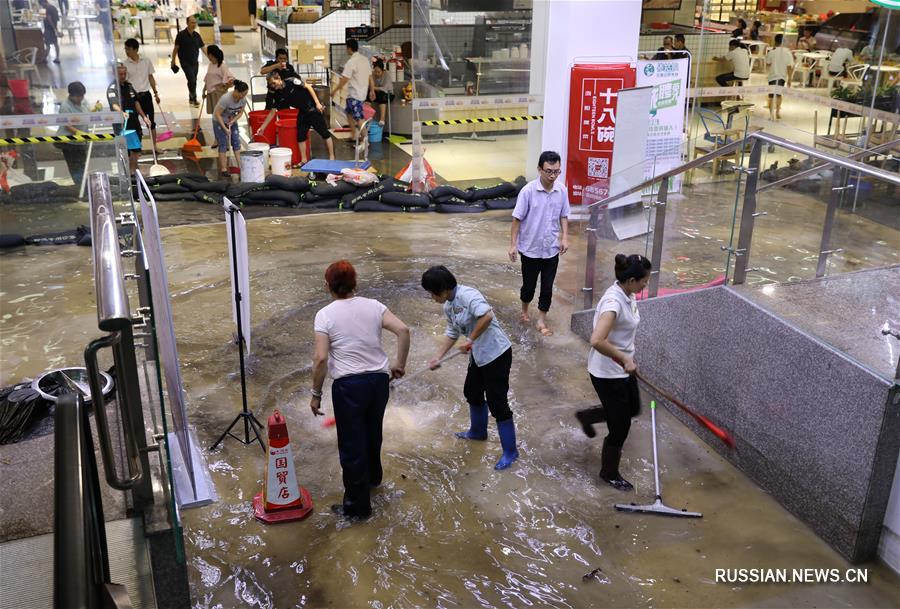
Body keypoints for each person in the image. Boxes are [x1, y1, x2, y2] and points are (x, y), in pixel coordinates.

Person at [310, 260, 410, 520]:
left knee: (352, 446)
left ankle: (357, 509)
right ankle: (373, 481)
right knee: (372, 432)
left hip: (349, 386)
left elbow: (320, 359)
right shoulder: (374, 306)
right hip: (378, 382)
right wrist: (399, 363)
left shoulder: (325, 314)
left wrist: (316, 394)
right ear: (355, 283)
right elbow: (403, 330)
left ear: (327, 286)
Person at [421, 265, 518, 471]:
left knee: (497, 403)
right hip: (479, 355)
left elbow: (487, 316)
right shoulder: (449, 306)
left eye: (432, 293)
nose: (432, 297)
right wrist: (437, 357)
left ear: (443, 289)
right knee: (472, 392)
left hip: (496, 354)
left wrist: (471, 339)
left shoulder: (468, 295)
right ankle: (477, 432)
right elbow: (452, 332)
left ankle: (510, 451)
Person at [575, 254, 652, 491]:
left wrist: (627, 357)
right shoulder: (613, 303)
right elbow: (596, 340)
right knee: (620, 427)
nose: (646, 284)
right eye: (644, 281)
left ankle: (588, 417)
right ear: (630, 280)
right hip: (607, 372)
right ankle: (609, 473)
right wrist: (624, 358)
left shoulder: (627, 294)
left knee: (633, 409)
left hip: (621, 367)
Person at [508, 150, 570, 337]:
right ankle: (525, 310)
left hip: (551, 249)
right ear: (539, 169)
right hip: (530, 249)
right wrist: (513, 245)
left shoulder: (562, 190)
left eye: (556, 171)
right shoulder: (528, 191)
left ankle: (541, 319)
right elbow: (516, 219)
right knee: (529, 285)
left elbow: (564, 215)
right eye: (549, 171)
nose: (553, 176)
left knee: (547, 286)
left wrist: (565, 237)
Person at [255, 71, 334, 163]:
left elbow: (308, 87)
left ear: (279, 78)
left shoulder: (292, 81)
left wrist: (317, 103)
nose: (273, 86)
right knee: (300, 136)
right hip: (302, 112)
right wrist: (262, 127)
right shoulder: (277, 94)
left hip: (312, 109)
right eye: (271, 84)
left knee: (324, 133)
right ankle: (304, 160)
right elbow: (272, 112)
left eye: (273, 83)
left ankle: (332, 156)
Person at [107, 62, 148, 172]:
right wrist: (121, 112)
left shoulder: (129, 86)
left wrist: (143, 116)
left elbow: (136, 102)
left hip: (134, 122)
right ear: (114, 74)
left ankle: (135, 170)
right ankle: (128, 173)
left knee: (136, 149)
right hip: (122, 124)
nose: (123, 76)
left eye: (124, 73)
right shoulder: (112, 88)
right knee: (126, 151)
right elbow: (113, 104)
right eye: (120, 74)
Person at [331, 39, 374, 144]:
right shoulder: (365, 60)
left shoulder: (351, 62)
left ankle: (365, 139)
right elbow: (370, 77)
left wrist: (335, 90)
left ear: (349, 48)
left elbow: (344, 79)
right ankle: (354, 135)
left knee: (359, 117)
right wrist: (372, 90)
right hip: (360, 93)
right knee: (349, 113)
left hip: (355, 94)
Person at [123, 38, 159, 142]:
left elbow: (151, 77)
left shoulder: (146, 61)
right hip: (132, 98)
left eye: (128, 49)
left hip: (146, 95)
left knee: (151, 122)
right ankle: (136, 148)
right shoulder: (124, 64)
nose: (126, 51)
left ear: (136, 49)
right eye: (125, 49)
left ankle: (154, 146)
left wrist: (156, 93)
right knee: (133, 122)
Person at [213, 80, 249, 177]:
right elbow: (217, 114)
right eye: (242, 94)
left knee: (236, 142)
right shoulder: (226, 99)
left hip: (231, 120)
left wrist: (234, 121)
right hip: (219, 120)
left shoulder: (243, 100)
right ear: (236, 91)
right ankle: (224, 169)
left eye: (245, 94)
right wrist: (225, 128)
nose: (243, 96)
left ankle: (241, 167)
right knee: (223, 144)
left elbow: (241, 112)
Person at [57, 81, 89, 187]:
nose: (80, 98)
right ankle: (80, 186)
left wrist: (94, 110)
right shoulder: (65, 107)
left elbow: (87, 110)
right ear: (71, 95)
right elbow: (67, 125)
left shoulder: (83, 101)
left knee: (83, 163)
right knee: (75, 166)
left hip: (82, 141)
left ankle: (84, 185)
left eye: (82, 96)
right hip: (69, 142)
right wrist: (77, 132)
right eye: (78, 96)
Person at [171, 15, 206, 107]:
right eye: (192, 22)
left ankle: (191, 97)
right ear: (187, 23)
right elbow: (176, 49)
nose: (194, 24)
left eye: (195, 22)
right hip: (185, 62)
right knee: (191, 79)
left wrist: (211, 57)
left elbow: (203, 48)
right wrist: (173, 61)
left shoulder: (197, 35)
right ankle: (194, 98)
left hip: (195, 62)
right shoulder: (181, 35)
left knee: (193, 80)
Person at [765, 34, 793, 120]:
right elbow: (789, 67)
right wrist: (789, 79)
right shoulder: (788, 52)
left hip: (772, 76)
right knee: (778, 95)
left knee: (771, 95)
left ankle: (770, 114)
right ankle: (777, 112)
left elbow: (768, 63)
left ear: (775, 41)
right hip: (782, 76)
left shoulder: (771, 52)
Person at [203, 45, 234, 116]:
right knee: (214, 113)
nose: (208, 56)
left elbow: (231, 79)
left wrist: (224, 88)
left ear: (211, 55)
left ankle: (223, 126)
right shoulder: (210, 64)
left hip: (218, 93)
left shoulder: (222, 66)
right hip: (210, 92)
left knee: (220, 113)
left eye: (208, 54)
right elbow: (208, 78)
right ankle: (216, 126)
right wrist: (204, 89)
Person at [369, 59, 393, 126]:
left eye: (378, 72)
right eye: (375, 71)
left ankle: (382, 119)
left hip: (388, 94)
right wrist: (372, 89)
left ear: (383, 71)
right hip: (376, 93)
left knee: (381, 95)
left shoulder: (387, 75)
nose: (377, 73)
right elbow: (369, 86)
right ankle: (368, 117)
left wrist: (373, 88)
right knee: (368, 94)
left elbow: (385, 89)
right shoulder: (373, 74)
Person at [38, 0, 60, 64]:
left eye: (41, 4)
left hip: (49, 29)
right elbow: (42, 17)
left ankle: (44, 59)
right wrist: (55, 28)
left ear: (43, 2)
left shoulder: (48, 8)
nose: (41, 5)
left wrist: (54, 28)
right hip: (51, 28)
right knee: (55, 43)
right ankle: (57, 58)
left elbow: (49, 19)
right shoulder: (52, 7)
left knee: (48, 45)